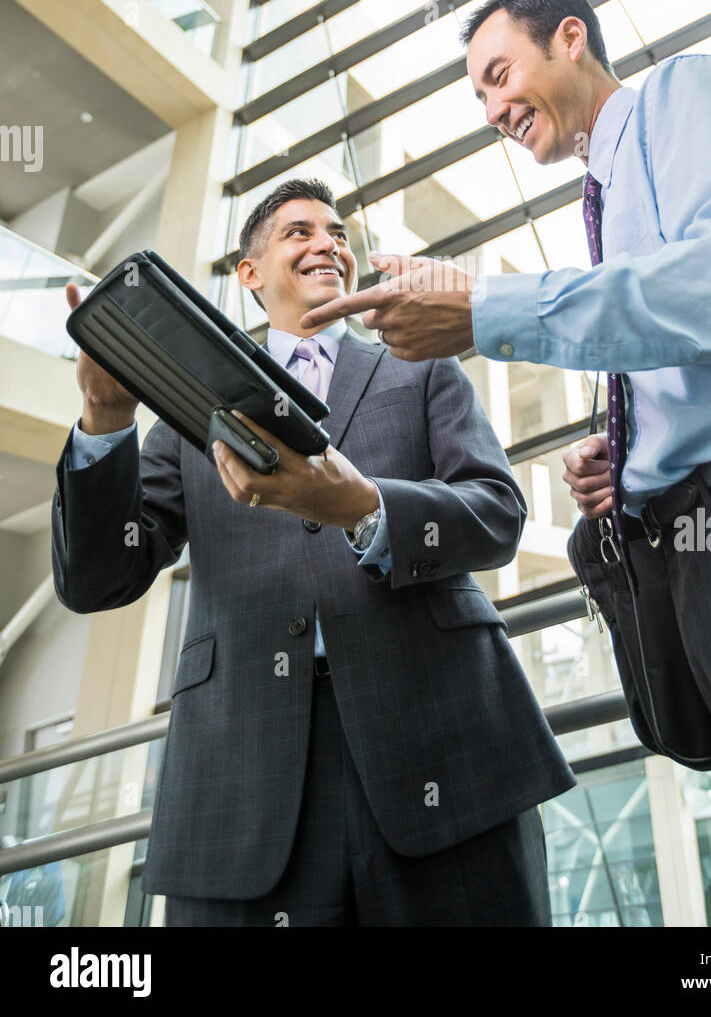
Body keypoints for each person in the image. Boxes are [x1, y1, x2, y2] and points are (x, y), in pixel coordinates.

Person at [302, 0, 711, 926]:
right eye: (478, 100)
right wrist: (637, 451)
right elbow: (705, 329)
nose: (492, 112)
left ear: (572, 38)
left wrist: (489, 310)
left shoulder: (691, 92)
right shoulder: (607, 200)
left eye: (498, 75)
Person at [51, 177, 575, 928]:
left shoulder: (420, 367)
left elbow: (496, 516)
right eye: (299, 232)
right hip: (246, 774)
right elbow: (100, 578)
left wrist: (366, 509)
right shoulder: (189, 404)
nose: (328, 243)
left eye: (337, 233)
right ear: (250, 273)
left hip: (440, 745)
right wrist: (105, 419)